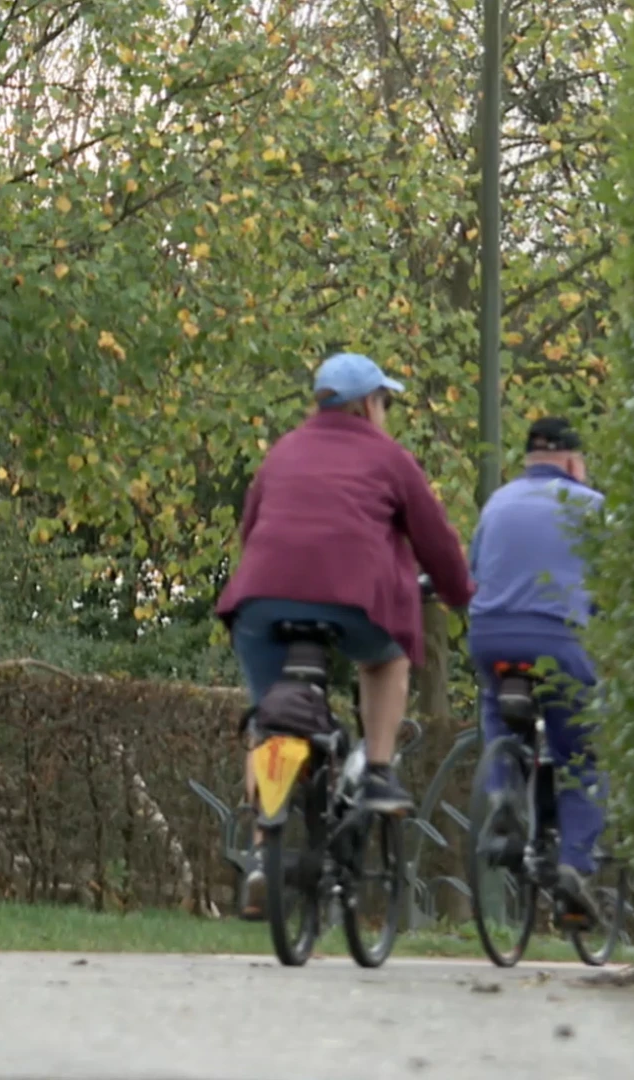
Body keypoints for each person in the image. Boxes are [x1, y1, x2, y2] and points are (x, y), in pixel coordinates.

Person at [216, 352, 474, 915]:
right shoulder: (389, 457)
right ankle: (378, 770)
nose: (388, 414)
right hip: (353, 603)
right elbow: (435, 539)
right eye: (386, 402)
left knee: (269, 720)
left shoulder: (282, 453)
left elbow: (251, 527)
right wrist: (460, 596)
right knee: (386, 659)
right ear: (365, 405)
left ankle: (263, 854)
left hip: (261, 602)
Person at [467, 416, 606, 927]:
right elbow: (616, 586)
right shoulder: (592, 508)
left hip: (492, 637)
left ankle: (503, 789)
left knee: (496, 706)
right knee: (581, 755)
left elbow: (473, 573)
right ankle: (575, 867)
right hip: (559, 641)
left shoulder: (497, 503)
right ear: (573, 463)